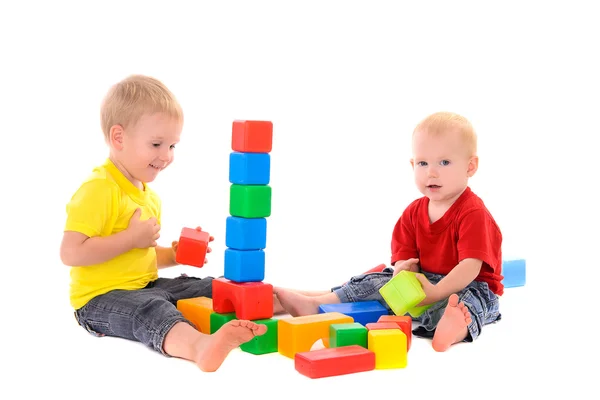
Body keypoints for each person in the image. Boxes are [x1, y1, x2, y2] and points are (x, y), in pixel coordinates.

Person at [60, 74, 266, 372]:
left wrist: (173, 255)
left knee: (211, 288)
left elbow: (139, 257)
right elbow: (71, 253)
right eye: (156, 144)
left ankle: (285, 302)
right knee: (152, 310)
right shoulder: (99, 189)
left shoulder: (149, 197)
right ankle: (200, 347)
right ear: (118, 138)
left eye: (172, 146)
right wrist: (130, 238)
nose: (166, 156)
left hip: (147, 284)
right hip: (97, 301)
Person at [274, 111, 503, 352]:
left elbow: (470, 266)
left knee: (470, 304)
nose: (431, 172)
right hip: (424, 285)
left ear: (470, 166)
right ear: (413, 165)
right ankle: (317, 304)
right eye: (423, 163)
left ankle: (454, 328)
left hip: (468, 286)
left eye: (444, 162)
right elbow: (405, 256)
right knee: (377, 280)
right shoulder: (413, 212)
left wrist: (438, 292)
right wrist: (405, 269)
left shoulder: (472, 212)